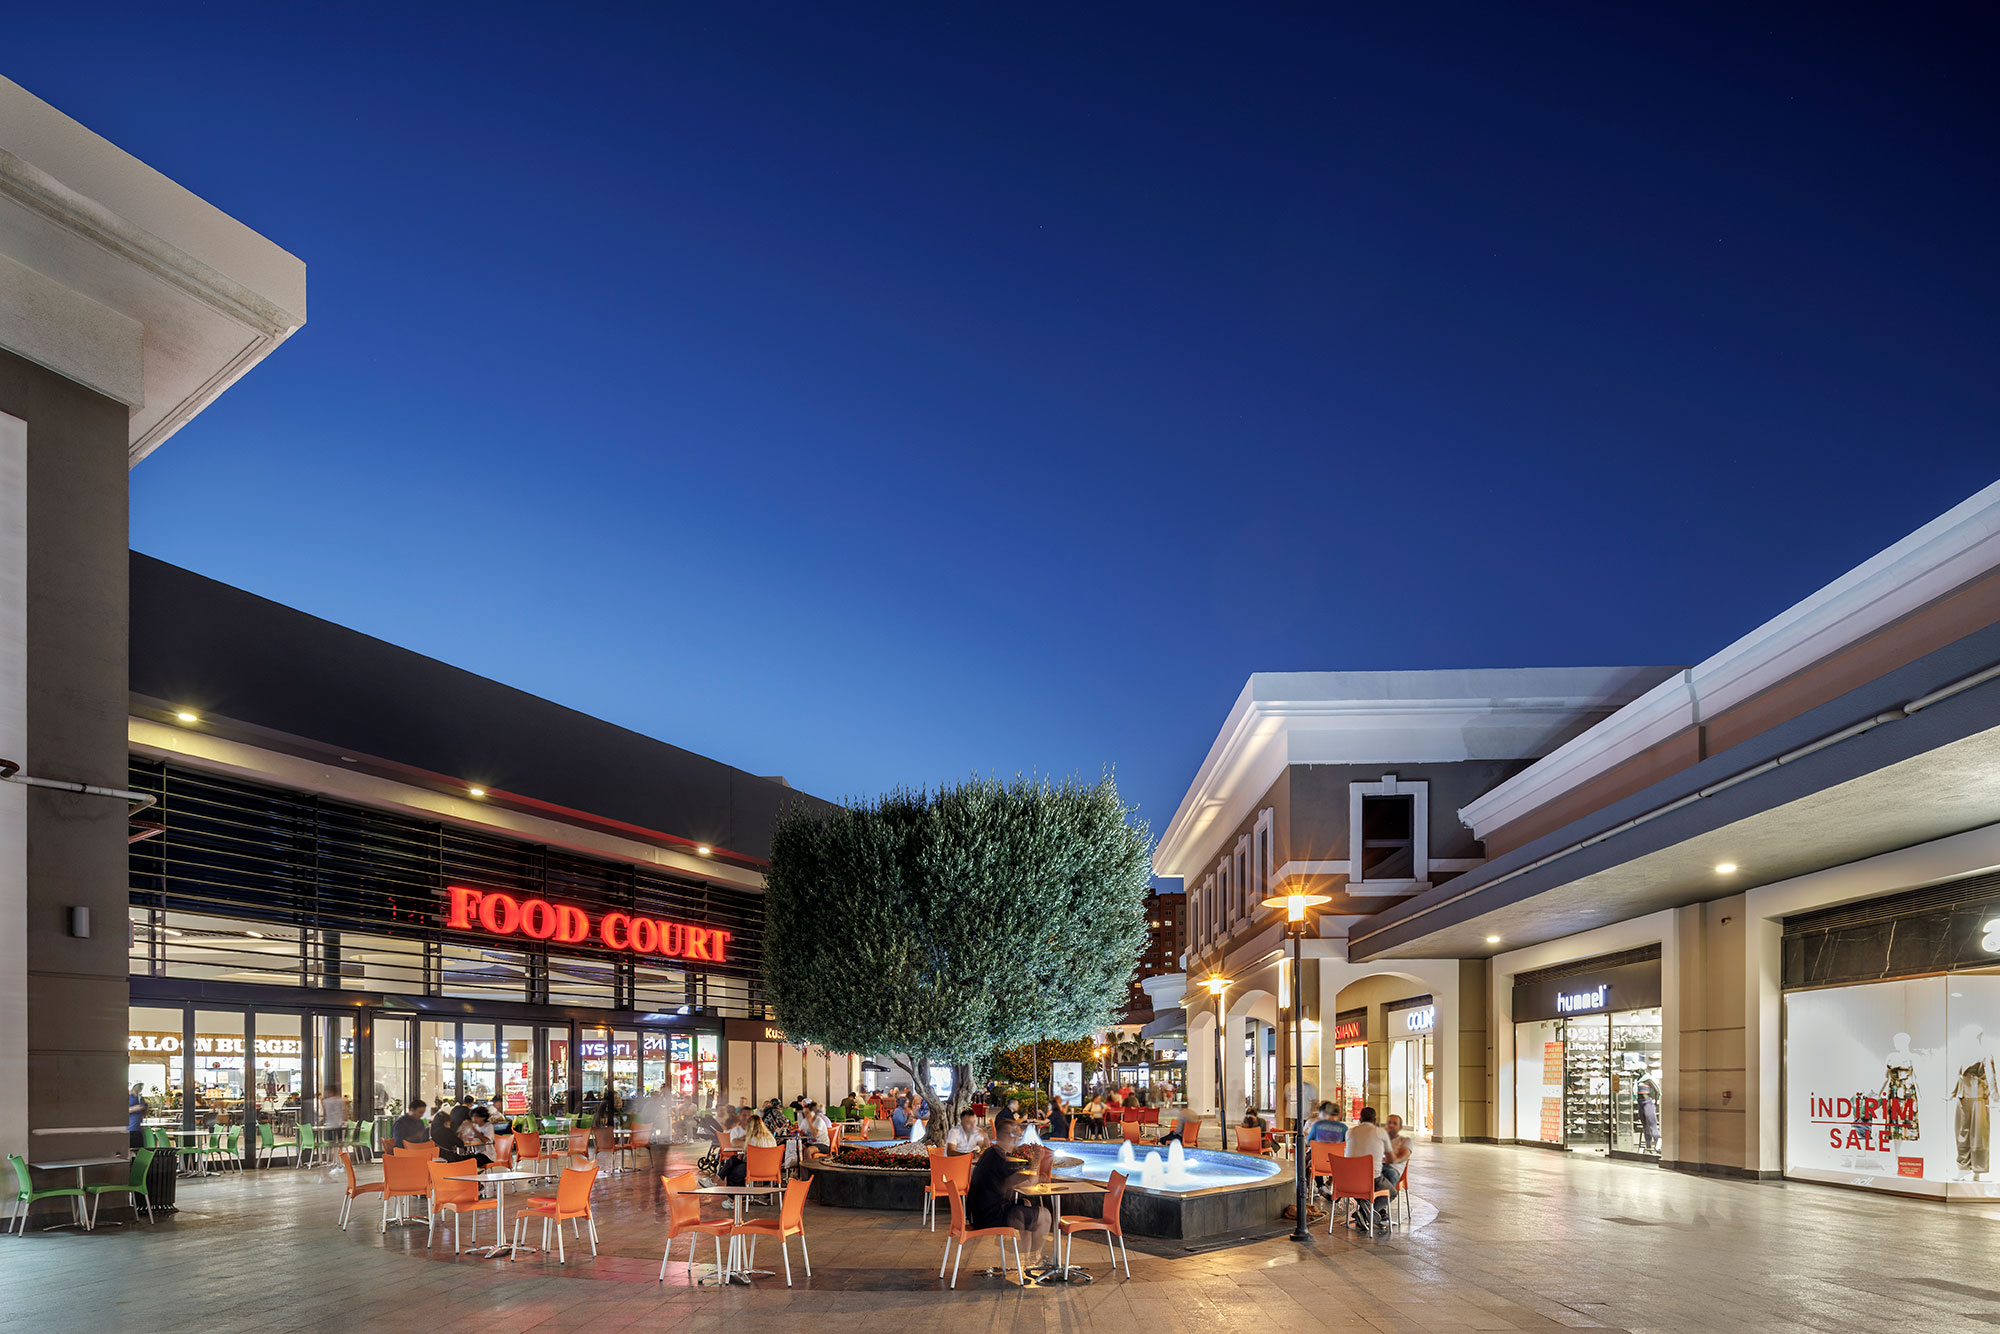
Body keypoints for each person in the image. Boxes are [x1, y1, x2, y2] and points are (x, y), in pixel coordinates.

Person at [968, 1118, 1052, 1264]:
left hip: (977, 1214)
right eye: (1015, 1135)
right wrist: (1037, 1162)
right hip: (989, 1217)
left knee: (1025, 1204)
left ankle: (1026, 1260)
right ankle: (1034, 1258)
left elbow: (1009, 1183)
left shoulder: (991, 1153)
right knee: (1045, 1216)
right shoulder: (1000, 1160)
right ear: (1008, 1136)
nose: (1017, 1139)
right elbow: (1029, 1183)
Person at [1344, 1107, 1394, 1229]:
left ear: (1360, 1119)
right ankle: (1364, 1214)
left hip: (1348, 1181)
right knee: (1391, 1192)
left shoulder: (1350, 1132)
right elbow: (1390, 1157)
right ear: (1375, 1120)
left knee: (1362, 1190)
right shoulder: (1381, 1132)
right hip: (1371, 1179)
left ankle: (1363, 1212)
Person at [128, 1083, 148, 1149]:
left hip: (138, 1129)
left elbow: (144, 1113)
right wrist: (135, 1108)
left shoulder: (140, 1099)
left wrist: (144, 1109)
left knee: (139, 1149)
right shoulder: (128, 1097)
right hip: (130, 1129)